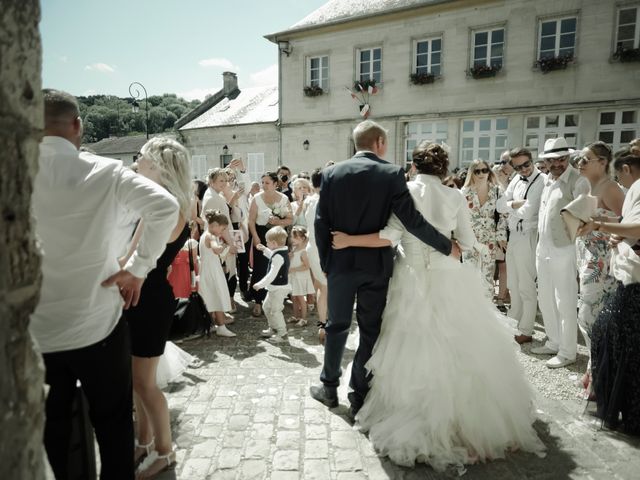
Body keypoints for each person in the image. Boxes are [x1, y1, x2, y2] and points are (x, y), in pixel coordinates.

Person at [332, 141, 545, 470]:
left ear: (413, 166)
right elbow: (469, 242)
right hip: (449, 278)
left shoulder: (403, 192)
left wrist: (348, 240)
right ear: (444, 168)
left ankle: (412, 415)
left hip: (411, 279)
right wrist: (450, 247)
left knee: (410, 346)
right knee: (460, 348)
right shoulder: (455, 195)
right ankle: (471, 424)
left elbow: (388, 237)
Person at [31, 89, 179, 480]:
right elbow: (166, 207)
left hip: (37, 331)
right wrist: (138, 268)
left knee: (52, 434)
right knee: (113, 425)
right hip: (98, 323)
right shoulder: (105, 171)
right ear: (77, 125)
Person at [310, 120, 460, 416]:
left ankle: (328, 387)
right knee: (370, 330)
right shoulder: (392, 173)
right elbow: (411, 221)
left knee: (337, 326)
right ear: (379, 142)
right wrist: (446, 245)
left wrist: (327, 263)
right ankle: (359, 397)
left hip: (340, 264)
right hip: (376, 265)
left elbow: (320, 222)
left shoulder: (330, 174)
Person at [119, 136, 193, 479]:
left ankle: (165, 451)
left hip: (148, 299)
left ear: (160, 168)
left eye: (143, 160)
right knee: (138, 382)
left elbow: (136, 258)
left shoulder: (166, 207)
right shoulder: (169, 203)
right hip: (144, 295)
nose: (137, 164)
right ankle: (144, 441)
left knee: (144, 384)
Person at [578, 151, 640, 434]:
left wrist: (603, 226)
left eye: (620, 175)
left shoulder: (627, 187)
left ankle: (611, 393)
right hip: (613, 265)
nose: (620, 181)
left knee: (606, 329)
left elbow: (634, 224)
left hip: (622, 271)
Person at [532, 138, 590, 368]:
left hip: (564, 248)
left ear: (568, 158)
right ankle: (554, 342)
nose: (557, 163)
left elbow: (586, 215)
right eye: (552, 160)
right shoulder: (547, 180)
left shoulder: (578, 180)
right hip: (543, 246)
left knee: (564, 299)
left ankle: (568, 352)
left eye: (561, 159)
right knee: (544, 296)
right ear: (546, 161)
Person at [575, 142, 624, 396]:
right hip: (588, 259)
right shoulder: (590, 186)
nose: (580, 163)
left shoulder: (611, 187)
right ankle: (592, 373)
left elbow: (628, 222)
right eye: (580, 159)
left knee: (592, 318)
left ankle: (599, 381)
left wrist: (597, 223)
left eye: (586, 159)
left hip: (602, 264)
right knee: (586, 317)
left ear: (603, 162)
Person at [496, 148, 546, 344]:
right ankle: (513, 323)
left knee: (526, 284)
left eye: (526, 164)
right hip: (514, 235)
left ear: (532, 161)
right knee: (513, 284)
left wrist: (511, 206)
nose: (523, 169)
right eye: (518, 167)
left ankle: (526, 329)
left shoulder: (541, 180)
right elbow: (500, 206)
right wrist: (515, 204)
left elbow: (528, 211)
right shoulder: (516, 179)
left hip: (528, 234)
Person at [461, 159, 507, 298]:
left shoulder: (497, 191)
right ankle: (471, 309)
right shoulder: (464, 192)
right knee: (469, 275)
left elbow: (503, 215)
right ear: (471, 173)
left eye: (484, 170)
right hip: (470, 239)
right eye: (477, 171)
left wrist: (501, 237)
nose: (481, 174)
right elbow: (460, 218)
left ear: (489, 172)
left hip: (490, 239)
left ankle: (488, 309)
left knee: (487, 275)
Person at [248, 172, 293, 316]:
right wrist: (255, 238)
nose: (264, 185)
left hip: (279, 236)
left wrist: (278, 221)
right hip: (261, 235)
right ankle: (258, 301)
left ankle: (278, 298)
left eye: (267, 183)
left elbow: (290, 219)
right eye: (262, 182)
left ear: (275, 184)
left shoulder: (284, 199)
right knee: (260, 267)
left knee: (280, 266)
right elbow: (251, 221)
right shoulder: (256, 198)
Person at [199, 210, 236, 337]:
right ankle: (221, 326)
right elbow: (215, 249)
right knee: (217, 295)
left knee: (211, 296)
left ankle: (211, 324)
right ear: (214, 225)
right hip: (212, 271)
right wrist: (223, 247)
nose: (222, 232)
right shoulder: (211, 236)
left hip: (208, 269)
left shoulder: (205, 235)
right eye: (222, 229)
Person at [253, 226, 291, 343]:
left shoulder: (279, 256)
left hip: (279, 288)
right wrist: (265, 249)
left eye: (267, 242)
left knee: (275, 310)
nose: (266, 243)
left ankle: (282, 333)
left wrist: (260, 284)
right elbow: (273, 256)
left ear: (274, 243)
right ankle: (273, 328)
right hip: (274, 288)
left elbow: (272, 274)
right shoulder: (279, 252)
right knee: (266, 307)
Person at [304, 168, 329, 343]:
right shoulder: (326, 201)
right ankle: (326, 325)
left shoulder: (309, 201)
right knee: (326, 288)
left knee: (320, 286)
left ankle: (322, 323)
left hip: (311, 247)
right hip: (323, 248)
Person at [288, 226, 315, 326]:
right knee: (293, 297)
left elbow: (306, 266)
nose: (292, 239)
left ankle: (304, 318)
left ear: (302, 239)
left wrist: (294, 269)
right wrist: (289, 257)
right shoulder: (294, 249)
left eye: (295, 238)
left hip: (300, 277)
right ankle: (296, 316)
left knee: (300, 298)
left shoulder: (303, 251)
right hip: (294, 277)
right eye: (292, 237)